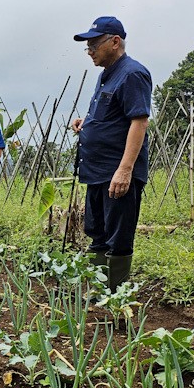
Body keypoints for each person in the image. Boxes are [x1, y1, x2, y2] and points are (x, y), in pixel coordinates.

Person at [71, 16, 152, 292]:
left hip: (116, 171)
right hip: (97, 171)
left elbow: (139, 122)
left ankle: (114, 295)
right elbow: (113, 114)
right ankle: (98, 291)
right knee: (98, 233)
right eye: (88, 46)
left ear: (115, 42)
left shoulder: (132, 74)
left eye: (94, 44)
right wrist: (87, 122)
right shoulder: (105, 75)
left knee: (118, 237)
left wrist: (125, 169)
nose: (89, 51)